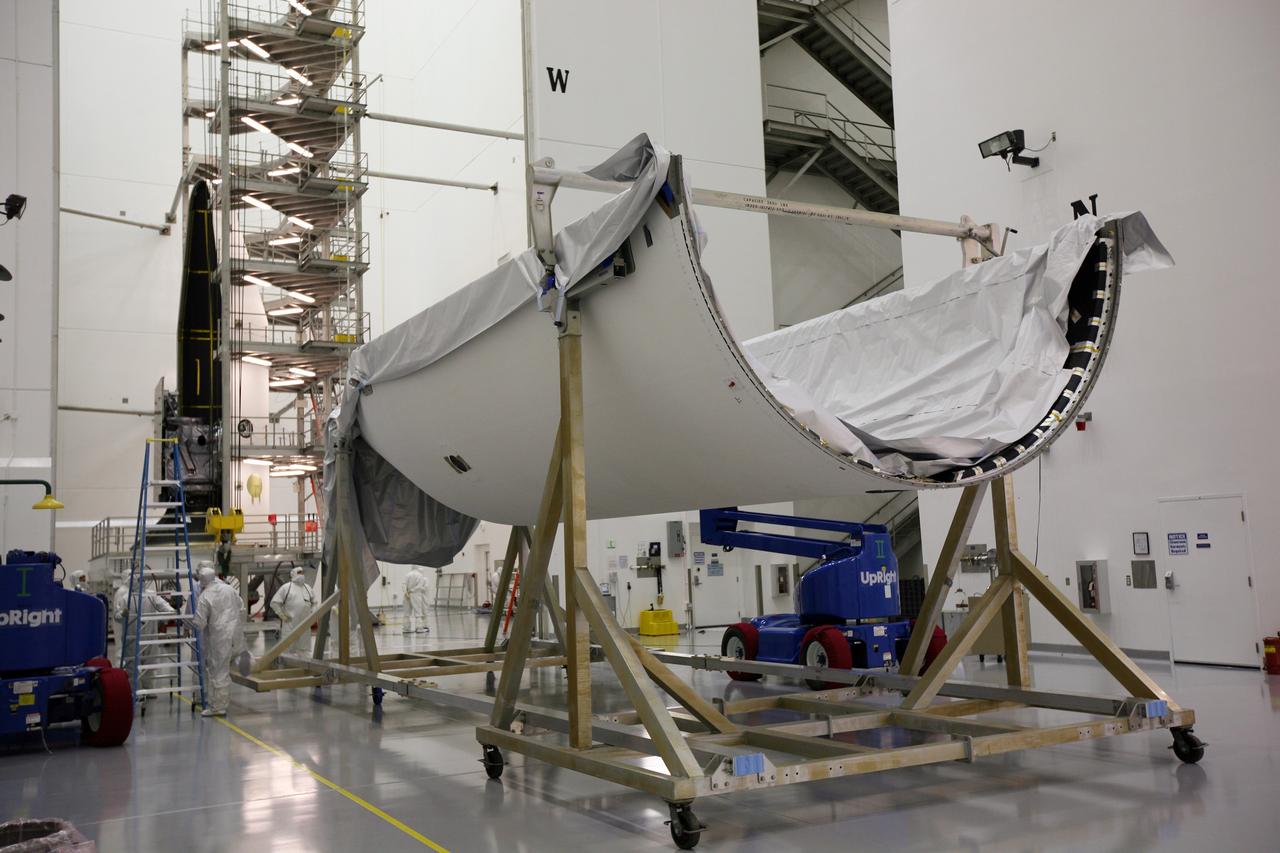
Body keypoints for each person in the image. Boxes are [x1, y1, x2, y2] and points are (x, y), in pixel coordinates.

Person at [193, 563, 246, 717]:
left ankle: (218, 707)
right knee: (229, 666)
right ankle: (221, 701)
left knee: (219, 671)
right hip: (235, 634)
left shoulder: (205, 596)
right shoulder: (229, 589)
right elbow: (241, 607)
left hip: (219, 639)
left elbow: (199, 623)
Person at [112, 579, 176, 692]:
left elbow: (166, 608)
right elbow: (117, 616)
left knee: (150, 664)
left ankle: (149, 689)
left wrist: (168, 614)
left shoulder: (150, 595)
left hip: (149, 636)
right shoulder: (125, 598)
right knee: (132, 665)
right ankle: (135, 690)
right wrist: (122, 614)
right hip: (132, 637)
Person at [269, 566, 317, 655]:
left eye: (303, 573)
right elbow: (274, 603)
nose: (302, 575)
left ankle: (304, 666)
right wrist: (282, 615)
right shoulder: (286, 588)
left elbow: (314, 602)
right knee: (288, 647)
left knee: (304, 649)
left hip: (305, 625)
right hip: (290, 623)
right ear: (293, 574)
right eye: (299, 573)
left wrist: (313, 614)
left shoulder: (308, 588)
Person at [402, 566, 430, 634]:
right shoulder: (420, 575)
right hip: (416, 595)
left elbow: (403, 584)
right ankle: (419, 628)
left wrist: (406, 592)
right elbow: (419, 586)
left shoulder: (407, 574)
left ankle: (406, 628)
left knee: (406, 613)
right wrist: (412, 591)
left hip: (407, 595)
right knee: (418, 613)